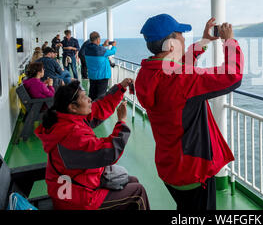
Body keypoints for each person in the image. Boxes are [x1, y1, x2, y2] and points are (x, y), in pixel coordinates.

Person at [135, 14, 243, 210]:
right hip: (192, 170)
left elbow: (178, 66)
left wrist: (204, 41)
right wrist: (229, 41)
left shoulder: (146, 74)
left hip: (170, 167)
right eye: (180, 35)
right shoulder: (180, 79)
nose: (184, 39)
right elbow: (232, 76)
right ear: (170, 44)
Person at [35, 79, 150, 210]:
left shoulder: (66, 119)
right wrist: (121, 123)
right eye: (85, 98)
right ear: (72, 107)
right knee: (138, 192)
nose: (90, 99)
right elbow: (109, 152)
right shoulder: (71, 135)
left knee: (133, 180)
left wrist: (120, 88)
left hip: (76, 183)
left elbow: (99, 107)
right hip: (74, 199)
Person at [84, 31, 117, 100]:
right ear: (98, 39)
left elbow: (96, 48)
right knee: (101, 96)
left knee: (92, 94)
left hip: (92, 76)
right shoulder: (101, 50)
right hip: (102, 76)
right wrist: (114, 46)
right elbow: (112, 52)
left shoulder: (87, 48)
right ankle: (98, 110)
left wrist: (104, 45)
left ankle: (91, 109)